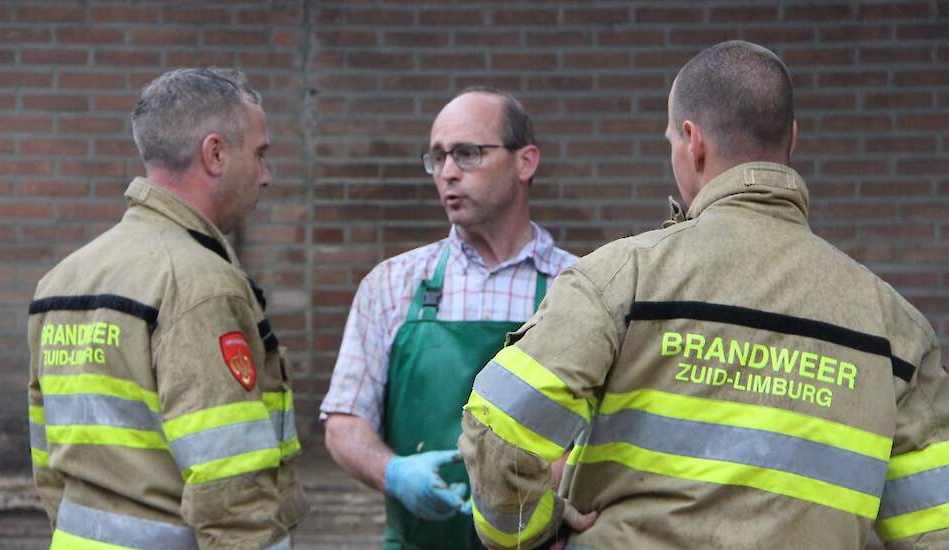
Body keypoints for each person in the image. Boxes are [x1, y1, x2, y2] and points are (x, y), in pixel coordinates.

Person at [459, 40, 949, 550]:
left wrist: (530, 531)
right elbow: (936, 525)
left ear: (693, 142)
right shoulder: (896, 330)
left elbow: (501, 433)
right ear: (793, 138)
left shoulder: (622, 279)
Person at [27, 68, 307, 549]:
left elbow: (47, 459)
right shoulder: (200, 285)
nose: (266, 174)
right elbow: (231, 485)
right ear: (215, 153)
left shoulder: (61, 280)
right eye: (260, 154)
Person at [320, 87, 578, 549]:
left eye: (467, 154)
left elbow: (610, 431)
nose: (448, 173)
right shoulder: (393, 285)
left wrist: (547, 490)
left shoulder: (578, 288)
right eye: (437, 158)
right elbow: (344, 424)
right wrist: (393, 472)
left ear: (526, 162)